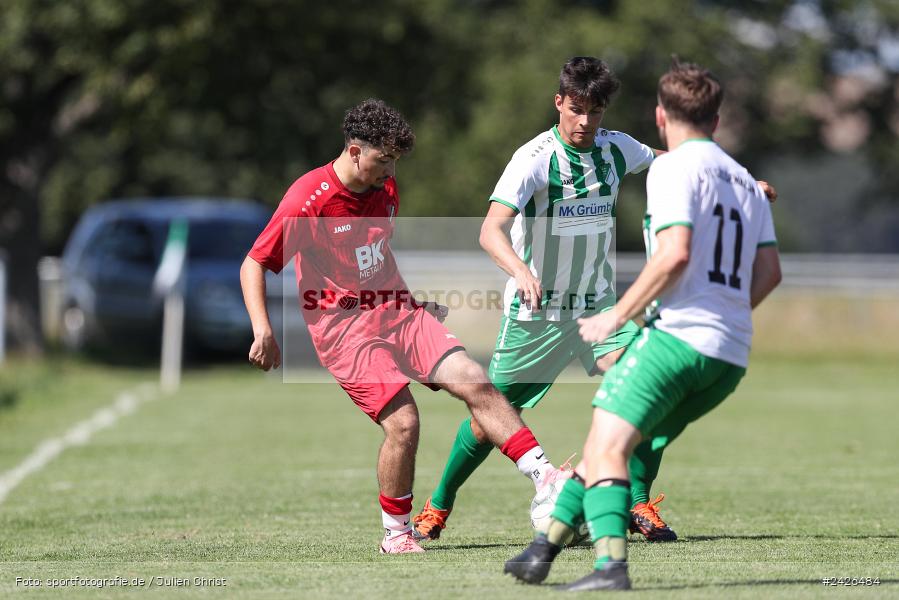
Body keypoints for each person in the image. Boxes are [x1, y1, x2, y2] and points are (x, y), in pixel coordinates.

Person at [413, 56, 776, 544]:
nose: (585, 121)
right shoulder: (534, 158)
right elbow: (490, 229)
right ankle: (437, 506)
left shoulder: (616, 148)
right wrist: (520, 270)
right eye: (577, 108)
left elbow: (682, 160)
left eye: (596, 111)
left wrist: (746, 186)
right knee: (490, 419)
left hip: (600, 307)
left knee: (651, 389)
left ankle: (640, 501)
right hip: (537, 314)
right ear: (560, 101)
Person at [504, 58, 783, 591]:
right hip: (730, 355)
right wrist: (724, 317)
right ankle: (543, 550)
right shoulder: (746, 182)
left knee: (605, 447)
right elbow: (770, 273)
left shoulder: (672, 168)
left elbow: (673, 254)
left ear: (660, 116)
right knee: (611, 444)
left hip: (677, 341)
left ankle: (610, 568)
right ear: (717, 122)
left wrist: (617, 313)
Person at [240, 99, 565, 555]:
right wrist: (264, 329)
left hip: (397, 312)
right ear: (355, 151)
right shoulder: (308, 199)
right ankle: (396, 533)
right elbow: (255, 262)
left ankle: (546, 478)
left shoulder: (385, 189)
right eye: (383, 160)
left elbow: (374, 260)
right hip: (344, 332)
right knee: (405, 423)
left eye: (395, 161)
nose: (391, 172)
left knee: (474, 379)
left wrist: (413, 304)